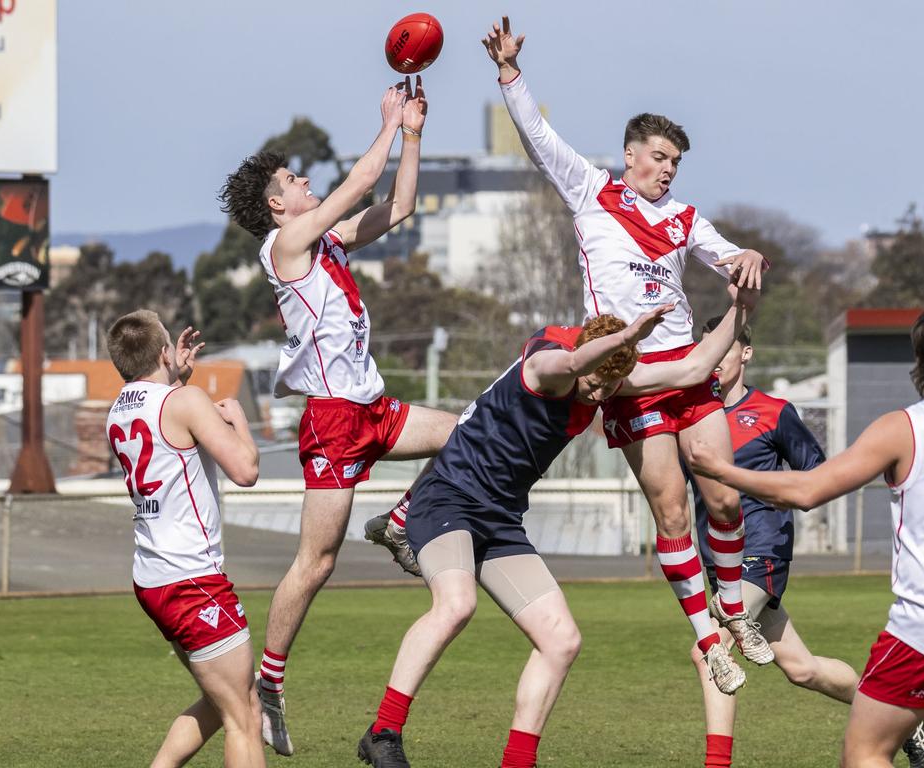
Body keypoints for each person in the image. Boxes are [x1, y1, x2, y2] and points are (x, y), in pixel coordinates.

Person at [482, 16, 771, 692]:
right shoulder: (590, 190)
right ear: (631, 154)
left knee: (725, 501)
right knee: (671, 512)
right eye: (661, 157)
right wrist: (510, 74)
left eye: (676, 162)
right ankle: (709, 641)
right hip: (633, 376)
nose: (669, 170)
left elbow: (725, 252)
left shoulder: (684, 217)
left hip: (688, 370)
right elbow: (539, 139)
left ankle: (735, 612)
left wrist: (745, 257)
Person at [357, 286, 757, 768]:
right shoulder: (548, 364)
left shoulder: (605, 376)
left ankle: (517, 762)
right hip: (447, 500)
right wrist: (628, 335)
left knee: (561, 639)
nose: (601, 395)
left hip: (501, 519)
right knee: (457, 604)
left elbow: (691, 370)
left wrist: (742, 307)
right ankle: (383, 732)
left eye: (611, 387)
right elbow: (566, 368)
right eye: (598, 385)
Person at [218, 77, 459, 755]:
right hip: (332, 421)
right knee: (316, 563)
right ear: (277, 204)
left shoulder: (326, 245)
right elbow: (360, 180)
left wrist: (412, 132)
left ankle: (402, 521)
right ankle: (267, 684)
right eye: (294, 179)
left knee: (468, 435)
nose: (305, 182)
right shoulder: (286, 246)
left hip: (376, 410)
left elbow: (399, 204)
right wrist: (384, 124)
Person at [689, 297, 924, 768]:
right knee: (802, 669)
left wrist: (723, 471)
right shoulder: (698, 411)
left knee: (861, 750)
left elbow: (809, 487)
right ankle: (909, 724)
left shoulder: (905, 426)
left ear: (921, 358)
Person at [105, 310, 264, 768]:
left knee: (222, 703)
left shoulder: (119, 410)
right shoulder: (186, 401)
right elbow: (246, 471)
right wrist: (240, 423)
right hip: (191, 578)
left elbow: (165, 426)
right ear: (162, 353)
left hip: (153, 578)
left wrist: (177, 378)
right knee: (245, 716)